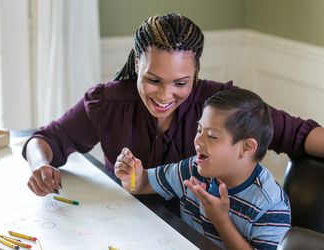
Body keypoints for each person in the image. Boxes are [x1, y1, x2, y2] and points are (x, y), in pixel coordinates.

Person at [22, 12, 324, 196]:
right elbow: (47, 140)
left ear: (195, 72)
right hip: (126, 222)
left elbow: (298, 133)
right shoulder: (107, 102)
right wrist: (41, 165)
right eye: (153, 80)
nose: (165, 95)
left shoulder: (222, 104)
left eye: (181, 83)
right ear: (138, 64)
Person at [114, 88, 291, 249]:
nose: (198, 141)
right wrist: (132, 175)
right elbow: (141, 184)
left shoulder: (271, 206)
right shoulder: (192, 169)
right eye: (199, 130)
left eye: (212, 136)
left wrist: (220, 220)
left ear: (246, 148)